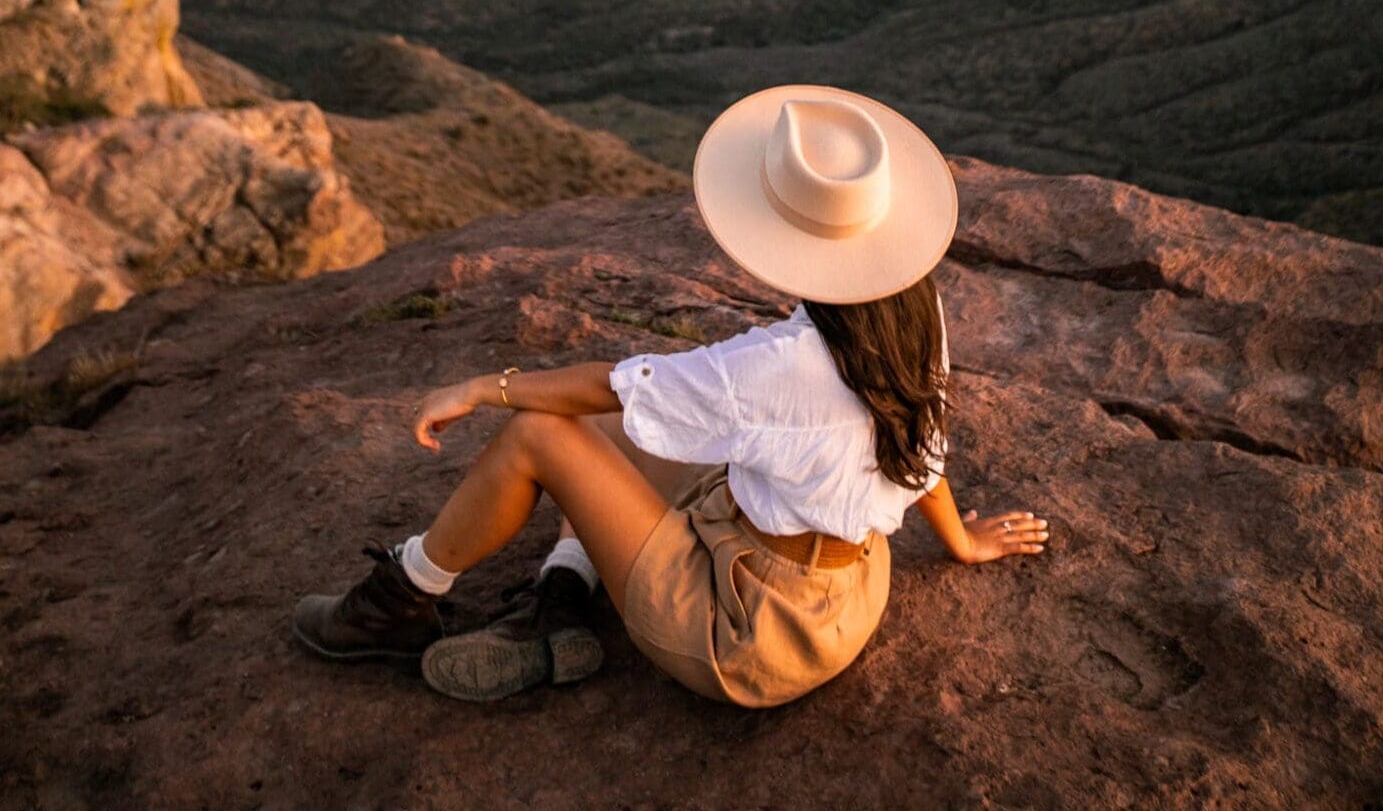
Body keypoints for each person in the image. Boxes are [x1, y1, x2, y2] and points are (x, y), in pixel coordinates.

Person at [293, 84, 1049, 706]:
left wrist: (483, 388)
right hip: (846, 590)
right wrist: (961, 542)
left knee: (538, 434)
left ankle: (396, 603)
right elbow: (919, 443)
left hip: (747, 633)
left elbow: (611, 385)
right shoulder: (912, 309)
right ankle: (562, 591)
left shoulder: (780, 366)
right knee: (620, 425)